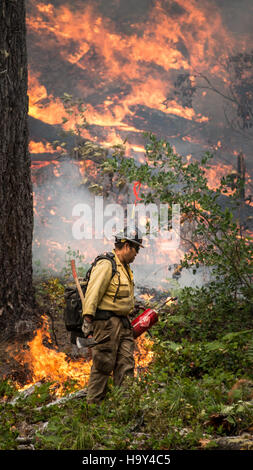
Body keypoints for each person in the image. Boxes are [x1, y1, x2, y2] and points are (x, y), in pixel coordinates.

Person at [81, 227, 144, 404]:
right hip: (106, 324)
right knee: (103, 365)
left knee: (126, 365)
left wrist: (130, 307)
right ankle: (93, 408)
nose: (137, 253)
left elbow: (119, 294)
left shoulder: (124, 267)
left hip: (123, 324)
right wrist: (87, 319)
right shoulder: (107, 264)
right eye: (136, 248)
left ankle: (124, 408)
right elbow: (93, 293)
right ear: (126, 245)